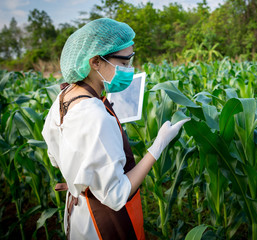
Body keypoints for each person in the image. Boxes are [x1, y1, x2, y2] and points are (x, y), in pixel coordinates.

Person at [41, 18, 189, 240]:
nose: (130, 69)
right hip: (102, 223)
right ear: (95, 62)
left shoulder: (65, 96)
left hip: (78, 210)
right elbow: (116, 194)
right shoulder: (95, 117)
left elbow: (55, 157)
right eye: (124, 63)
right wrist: (158, 146)